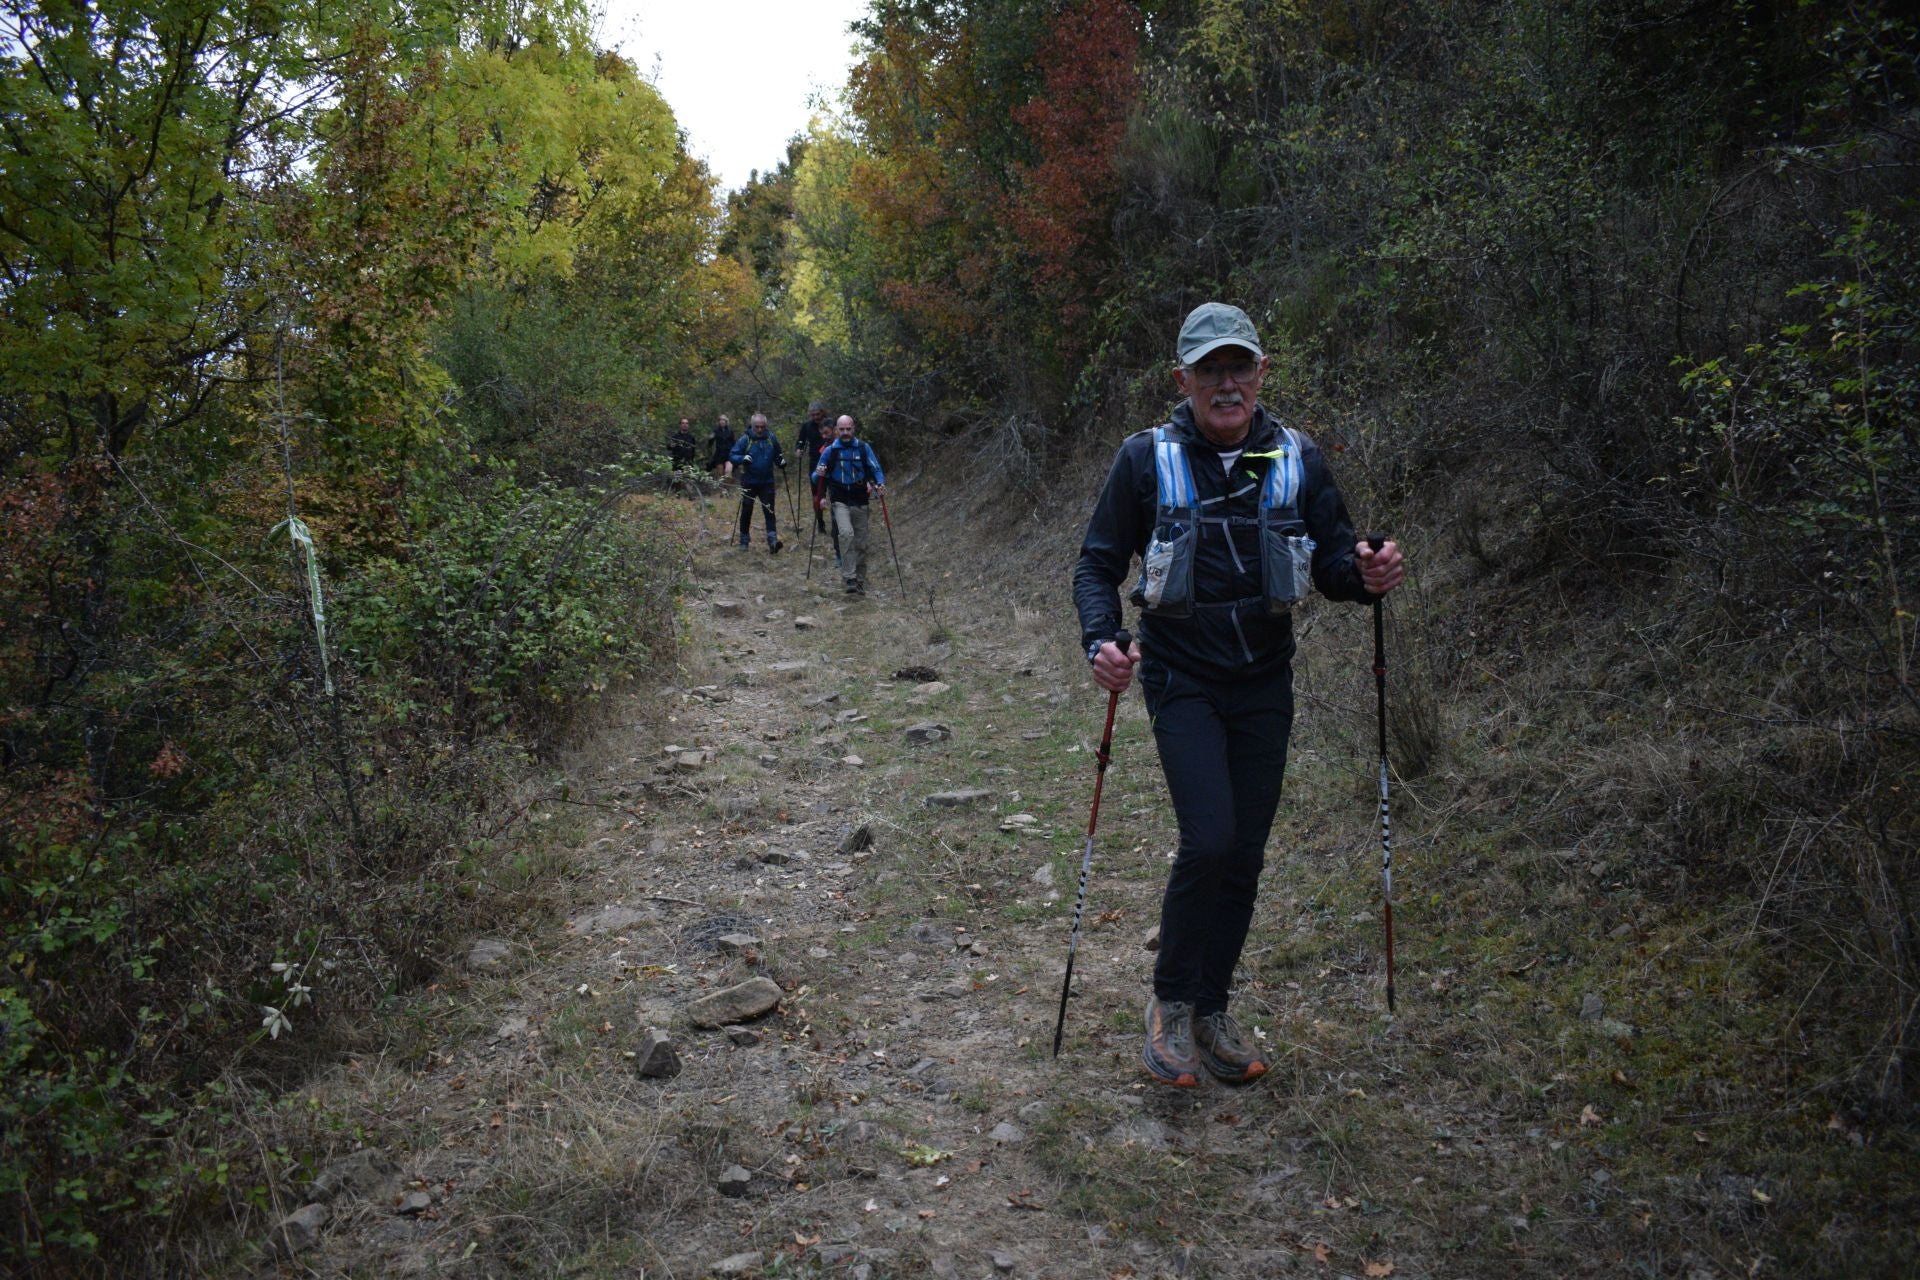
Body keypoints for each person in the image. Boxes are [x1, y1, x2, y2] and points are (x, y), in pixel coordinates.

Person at [1072, 301, 1405, 1088]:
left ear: (1262, 372)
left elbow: (1330, 562)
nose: (1228, 384)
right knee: (1211, 838)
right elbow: (1096, 565)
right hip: (1181, 674)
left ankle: (1212, 1011)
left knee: (1246, 852)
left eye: (1241, 367)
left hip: (1264, 678)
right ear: (1182, 379)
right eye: (1211, 370)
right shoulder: (1146, 458)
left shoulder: (1292, 457)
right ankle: (1170, 1008)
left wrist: (1366, 574)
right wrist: (1102, 639)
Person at [812, 414, 886, 595]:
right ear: (837, 430)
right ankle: (849, 577)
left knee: (861, 542)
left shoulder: (863, 448)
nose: (845, 432)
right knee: (845, 534)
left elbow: (875, 468)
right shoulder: (831, 451)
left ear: (853, 429)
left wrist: (880, 483)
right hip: (840, 500)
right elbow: (815, 477)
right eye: (842, 429)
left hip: (860, 499)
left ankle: (860, 579)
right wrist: (819, 473)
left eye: (848, 429)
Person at [728, 413, 787, 552]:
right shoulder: (745, 439)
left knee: (769, 510)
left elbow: (778, 455)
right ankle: (744, 540)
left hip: (767, 481)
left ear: (765, 426)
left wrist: (781, 463)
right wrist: (743, 458)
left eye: (762, 427)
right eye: (757, 427)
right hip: (749, 481)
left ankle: (773, 541)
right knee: (747, 510)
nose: (760, 430)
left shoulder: (771, 438)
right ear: (752, 426)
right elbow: (732, 455)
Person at [796, 402, 831, 534]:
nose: (816, 417)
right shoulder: (807, 426)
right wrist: (799, 449)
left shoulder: (830, 423)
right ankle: (820, 521)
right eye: (813, 415)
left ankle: (837, 520)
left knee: (834, 492)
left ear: (823, 412)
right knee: (816, 495)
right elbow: (801, 441)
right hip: (815, 463)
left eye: (818, 414)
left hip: (832, 462)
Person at [707, 414, 735, 480]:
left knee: (728, 474)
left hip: (728, 455)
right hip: (719, 455)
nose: (722, 422)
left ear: (726, 422)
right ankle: (721, 490)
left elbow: (734, 443)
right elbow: (710, 444)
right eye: (720, 420)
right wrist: (710, 439)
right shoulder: (716, 431)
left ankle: (727, 489)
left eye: (723, 420)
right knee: (720, 474)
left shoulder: (730, 432)